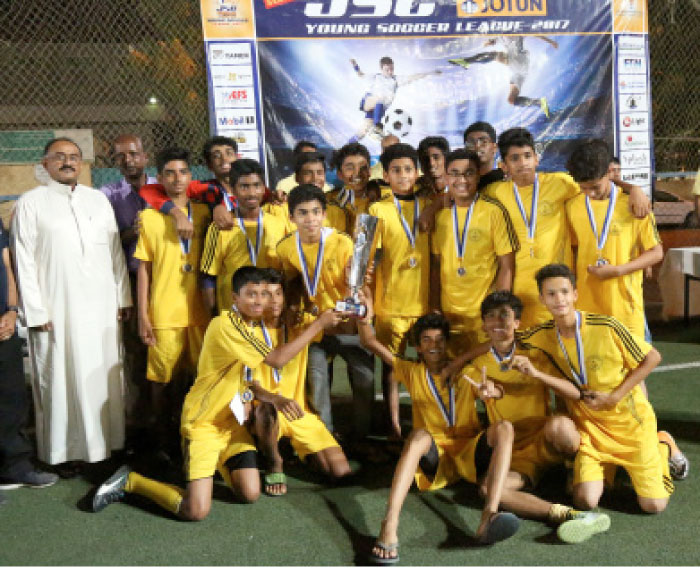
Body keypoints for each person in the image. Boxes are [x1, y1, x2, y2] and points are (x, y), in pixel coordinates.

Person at [92, 267, 348, 519]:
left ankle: (213, 465)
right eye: (251, 294)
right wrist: (319, 325)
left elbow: (245, 380)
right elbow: (277, 360)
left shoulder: (250, 326)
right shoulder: (227, 325)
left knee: (249, 493)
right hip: (203, 424)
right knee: (195, 511)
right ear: (234, 298)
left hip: (231, 424)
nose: (259, 300)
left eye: (263, 294)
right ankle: (132, 481)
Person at [358, 298, 520, 564]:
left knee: (504, 428)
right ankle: (389, 524)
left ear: (447, 343)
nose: (434, 345)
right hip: (436, 456)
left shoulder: (465, 371)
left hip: (469, 451)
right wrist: (364, 315)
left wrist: (492, 391)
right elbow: (370, 342)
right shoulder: (410, 371)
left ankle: (488, 515)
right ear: (418, 347)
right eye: (427, 340)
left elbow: (493, 386)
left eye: (439, 340)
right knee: (418, 436)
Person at [518, 264, 687, 513]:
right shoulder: (542, 335)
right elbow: (505, 340)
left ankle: (662, 444)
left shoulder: (606, 326)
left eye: (564, 292)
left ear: (575, 294)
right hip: (590, 431)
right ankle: (599, 469)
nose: (559, 299)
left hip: (631, 427)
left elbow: (653, 357)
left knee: (653, 506)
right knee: (585, 501)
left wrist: (614, 397)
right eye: (551, 294)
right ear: (542, 299)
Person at [12, 137, 131, 473]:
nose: (68, 162)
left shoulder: (98, 200)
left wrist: (123, 297)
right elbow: (23, 260)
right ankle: (64, 454)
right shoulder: (31, 203)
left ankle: (107, 448)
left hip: (102, 306)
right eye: (59, 157)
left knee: (102, 376)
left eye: (74, 157)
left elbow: (114, 254)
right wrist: (35, 311)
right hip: (56, 309)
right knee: (60, 378)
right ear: (46, 164)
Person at [462, 291, 610, 544]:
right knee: (489, 489)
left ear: (517, 323)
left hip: (547, 439)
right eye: (491, 317)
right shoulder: (477, 365)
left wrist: (537, 374)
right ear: (484, 325)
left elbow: (572, 391)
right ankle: (569, 515)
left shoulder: (536, 354)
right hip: (516, 453)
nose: (498, 322)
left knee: (562, 427)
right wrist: (489, 391)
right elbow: (486, 388)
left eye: (505, 316)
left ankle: (571, 467)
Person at [483, 127, 650, 329]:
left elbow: (596, 178)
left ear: (537, 158)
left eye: (527, 156)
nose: (523, 163)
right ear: (504, 165)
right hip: (521, 291)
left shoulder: (560, 183)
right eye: (515, 158)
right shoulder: (495, 192)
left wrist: (634, 189)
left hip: (558, 291)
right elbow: (464, 195)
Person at [276, 185, 375, 448]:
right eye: (303, 213)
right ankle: (326, 439)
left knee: (364, 383)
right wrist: (293, 307)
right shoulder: (285, 247)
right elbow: (293, 281)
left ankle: (362, 438)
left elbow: (359, 283)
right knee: (317, 383)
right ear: (291, 217)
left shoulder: (343, 242)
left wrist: (359, 287)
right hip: (317, 326)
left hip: (349, 324)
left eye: (316, 212)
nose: (310, 219)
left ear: (324, 214)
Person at [134, 146, 211, 461]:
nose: (177, 178)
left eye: (183, 172)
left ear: (191, 176)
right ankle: (162, 441)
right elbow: (144, 270)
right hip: (165, 312)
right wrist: (142, 314)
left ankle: (195, 436)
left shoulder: (206, 213)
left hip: (201, 312)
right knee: (161, 381)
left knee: (200, 378)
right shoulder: (149, 218)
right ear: (160, 177)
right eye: (169, 173)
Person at [245, 269, 352, 495]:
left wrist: (355, 296)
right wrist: (276, 398)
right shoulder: (247, 331)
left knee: (339, 472)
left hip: (297, 411)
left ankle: (297, 451)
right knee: (265, 410)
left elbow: (344, 323)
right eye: (266, 295)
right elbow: (249, 385)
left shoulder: (299, 325)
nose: (273, 301)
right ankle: (274, 461)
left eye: (278, 294)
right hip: (264, 410)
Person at [565, 140, 663, 340]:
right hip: (587, 303)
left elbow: (656, 252)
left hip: (624, 303)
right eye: (583, 188)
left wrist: (619, 270)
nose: (589, 193)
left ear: (609, 173)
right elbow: (574, 249)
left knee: (634, 365)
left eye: (594, 187)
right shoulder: (573, 206)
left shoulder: (634, 205)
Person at [369, 143, 430, 438]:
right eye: (396, 170)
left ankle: (424, 421)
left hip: (424, 303)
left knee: (425, 366)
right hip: (390, 305)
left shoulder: (431, 203)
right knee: (391, 368)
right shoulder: (376, 209)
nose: (403, 175)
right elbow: (365, 258)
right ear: (386, 175)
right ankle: (393, 425)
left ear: (417, 173)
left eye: (408, 169)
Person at [430, 149, 517, 356]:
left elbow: (507, 266)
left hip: (483, 317)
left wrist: (498, 312)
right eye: (455, 173)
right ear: (446, 176)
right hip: (449, 315)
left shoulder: (493, 211)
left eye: (469, 173)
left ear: (478, 176)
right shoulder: (440, 214)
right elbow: (435, 266)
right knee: (456, 379)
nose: (462, 180)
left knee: (485, 379)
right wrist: (434, 307)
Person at [99, 134, 157, 441]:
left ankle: (172, 422)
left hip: (169, 281)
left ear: (145, 156)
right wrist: (129, 232)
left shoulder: (163, 188)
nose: (128, 160)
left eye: (133, 154)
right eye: (121, 156)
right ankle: (140, 428)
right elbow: (104, 242)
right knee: (137, 352)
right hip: (133, 281)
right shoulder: (107, 195)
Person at [0, 218, 58, 498]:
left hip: (3, 324)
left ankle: (14, 465)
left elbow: (7, 265)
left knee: (11, 395)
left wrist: (12, 311)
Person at [200, 158, 287, 315]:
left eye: (256, 186)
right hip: (233, 316)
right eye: (244, 187)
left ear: (263, 188)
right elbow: (208, 277)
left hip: (269, 315)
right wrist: (213, 317)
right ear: (233, 189)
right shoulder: (219, 227)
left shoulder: (279, 225)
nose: (252, 193)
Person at [449, 37, 558, 118]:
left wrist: (551, 42)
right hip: (519, 70)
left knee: (494, 55)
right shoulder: (499, 35)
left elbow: (535, 34)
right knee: (511, 100)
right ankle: (539, 103)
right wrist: (490, 42)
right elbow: (495, 40)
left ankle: (466, 61)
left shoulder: (516, 32)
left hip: (520, 60)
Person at [349, 56, 441, 142]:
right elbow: (361, 75)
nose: (390, 72)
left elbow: (412, 77)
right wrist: (355, 66)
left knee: (361, 133)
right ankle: (377, 125)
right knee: (380, 98)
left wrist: (430, 73)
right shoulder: (376, 77)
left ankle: (344, 147)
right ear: (381, 69)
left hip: (379, 109)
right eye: (387, 70)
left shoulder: (396, 80)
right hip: (369, 102)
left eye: (391, 69)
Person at [329, 142, 391, 233]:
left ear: (369, 171)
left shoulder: (386, 197)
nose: (357, 173)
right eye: (350, 168)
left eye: (362, 167)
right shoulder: (330, 201)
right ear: (340, 174)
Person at [463, 121, 505, 190]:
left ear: (495, 148)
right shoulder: (460, 184)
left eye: (484, 142)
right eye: (471, 142)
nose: (477, 146)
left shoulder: (506, 181)